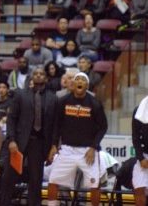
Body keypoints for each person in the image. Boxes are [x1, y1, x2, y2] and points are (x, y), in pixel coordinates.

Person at [47, 72, 108, 206]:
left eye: (83, 80)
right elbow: (56, 125)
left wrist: (93, 147)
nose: (80, 81)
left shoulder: (95, 103)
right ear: (73, 84)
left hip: (87, 151)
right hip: (67, 149)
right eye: (77, 79)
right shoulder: (63, 101)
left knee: (95, 185)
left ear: (87, 85)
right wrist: (53, 145)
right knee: (53, 181)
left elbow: (103, 127)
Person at [0, 66, 58, 206]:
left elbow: (55, 125)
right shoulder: (21, 94)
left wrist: (54, 146)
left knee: (35, 181)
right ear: (32, 77)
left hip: (39, 144)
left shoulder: (53, 98)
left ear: (46, 77)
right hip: (19, 142)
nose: (38, 76)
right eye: (36, 74)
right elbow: (11, 119)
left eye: (41, 74)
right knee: (8, 178)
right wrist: (11, 140)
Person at [131, 96, 148, 206]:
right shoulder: (139, 109)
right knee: (138, 189)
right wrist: (141, 158)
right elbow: (135, 137)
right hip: (144, 156)